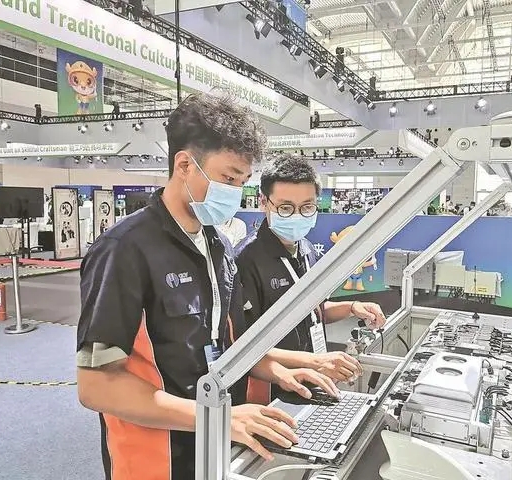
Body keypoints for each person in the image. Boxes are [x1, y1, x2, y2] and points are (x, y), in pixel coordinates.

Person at [76, 94, 338, 480]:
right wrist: (216, 417)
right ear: (184, 165)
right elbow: (96, 384)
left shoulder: (219, 247)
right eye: (228, 179)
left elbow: (224, 346)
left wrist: (279, 371)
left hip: (217, 443)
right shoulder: (124, 249)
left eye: (242, 182)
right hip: (156, 456)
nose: (235, 192)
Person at [235, 154, 387, 402]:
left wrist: (351, 307)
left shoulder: (306, 248)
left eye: (307, 207)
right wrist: (314, 361)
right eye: (285, 208)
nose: (297, 215)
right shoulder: (246, 260)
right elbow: (242, 349)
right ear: (263, 202)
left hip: (313, 381)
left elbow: (314, 311)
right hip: (271, 392)